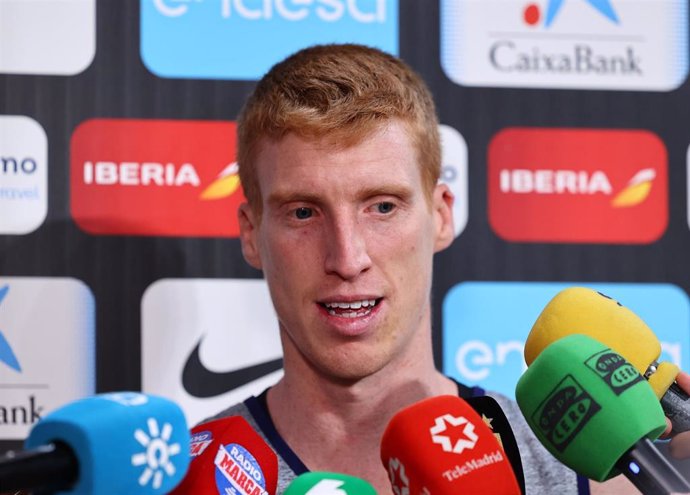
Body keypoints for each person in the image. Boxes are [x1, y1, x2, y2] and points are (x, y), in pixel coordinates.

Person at [206, 43, 636, 494]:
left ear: (441, 216)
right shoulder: (190, 479)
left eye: (383, 206)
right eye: (303, 213)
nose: (348, 259)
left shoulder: (578, 471)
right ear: (252, 234)